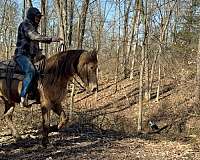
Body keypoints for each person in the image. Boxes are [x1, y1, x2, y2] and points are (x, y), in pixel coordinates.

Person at [14, 7, 62, 107]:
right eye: (37, 17)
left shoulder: (33, 27)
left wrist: (39, 53)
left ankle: (35, 95)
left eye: (39, 17)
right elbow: (34, 37)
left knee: (44, 70)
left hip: (32, 57)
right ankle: (23, 97)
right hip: (21, 55)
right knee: (31, 71)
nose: (39, 19)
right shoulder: (25, 25)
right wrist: (52, 39)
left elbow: (35, 44)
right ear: (31, 16)